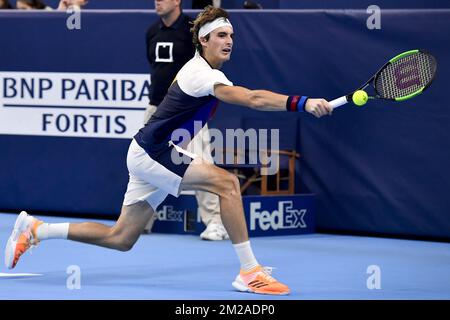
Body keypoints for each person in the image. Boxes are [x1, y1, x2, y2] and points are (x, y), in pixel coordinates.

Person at [5, 5, 332, 295]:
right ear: (204, 40)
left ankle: (38, 229)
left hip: (150, 152)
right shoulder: (202, 75)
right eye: (220, 34)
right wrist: (301, 102)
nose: (229, 40)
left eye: (231, 34)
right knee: (227, 184)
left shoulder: (203, 71)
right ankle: (250, 272)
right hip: (155, 153)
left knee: (121, 238)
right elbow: (253, 99)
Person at [144, 0, 228, 240]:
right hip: (156, 109)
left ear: (177, 1)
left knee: (202, 164)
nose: (157, 1)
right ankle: (141, 220)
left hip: (188, 111)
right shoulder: (151, 31)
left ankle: (214, 223)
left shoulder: (193, 31)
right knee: (147, 165)